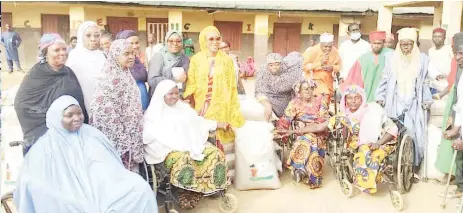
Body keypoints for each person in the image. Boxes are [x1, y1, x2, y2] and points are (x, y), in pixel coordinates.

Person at [14, 95, 158, 213]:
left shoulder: (92, 134)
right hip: (68, 194)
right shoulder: (45, 146)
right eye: (69, 115)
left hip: (104, 186)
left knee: (140, 188)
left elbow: (113, 164)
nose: (76, 118)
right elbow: (28, 179)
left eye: (79, 113)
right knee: (83, 207)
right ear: (57, 118)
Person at [143, 80, 228, 209]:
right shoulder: (154, 114)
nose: (174, 96)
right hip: (168, 149)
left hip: (190, 145)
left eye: (177, 93)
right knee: (184, 160)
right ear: (162, 95)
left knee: (215, 154)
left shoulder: (183, 108)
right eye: (170, 94)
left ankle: (203, 189)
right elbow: (149, 137)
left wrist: (217, 124)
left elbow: (199, 122)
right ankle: (186, 192)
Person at [14, 34, 87, 154]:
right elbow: (22, 105)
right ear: (45, 53)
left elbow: (79, 103)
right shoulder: (36, 74)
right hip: (43, 132)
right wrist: (54, 121)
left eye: (64, 49)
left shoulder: (69, 73)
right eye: (56, 50)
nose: (63, 53)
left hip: (70, 131)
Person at [375, 27, 433, 174]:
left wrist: (426, 98)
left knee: (413, 133)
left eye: (409, 44)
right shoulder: (391, 59)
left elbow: (425, 81)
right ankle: (392, 163)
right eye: (403, 44)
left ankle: (412, 166)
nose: (405, 47)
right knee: (393, 132)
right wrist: (380, 96)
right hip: (395, 101)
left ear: (414, 44)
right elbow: (385, 79)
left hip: (413, 102)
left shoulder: (423, 59)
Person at [183, 26, 244, 150]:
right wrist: (189, 100)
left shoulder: (227, 60)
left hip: (222, 104)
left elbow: (232, 86)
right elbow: (191, 83)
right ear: (204, 41)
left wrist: (232, 106)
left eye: (218, 38)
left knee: (224, 142)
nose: (215, 42)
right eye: (211, 39)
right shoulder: (196, 59)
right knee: (205, 140)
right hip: (203, 105)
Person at [90, 39, 144, 172]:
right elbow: (102, 110)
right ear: (115, 55)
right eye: (126, 54)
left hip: (130, 133)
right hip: (119, 137)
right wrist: (122, 137)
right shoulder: (108, 78)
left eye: (132, 53)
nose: (131, 57)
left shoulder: (125, 73)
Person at [332, 86, 398, 193]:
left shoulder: (373, 110)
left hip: (381, 141)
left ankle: (369, 182)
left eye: (357, 97)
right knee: (362, 153)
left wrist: (378, 143)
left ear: (362, 98)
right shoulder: (344, 115)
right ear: (345, 100)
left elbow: (392, 129)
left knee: (370, 155)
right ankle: (366, 182)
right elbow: (325, 125)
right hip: (357, 144)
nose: (353, 101)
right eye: (349, 98)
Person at [275, 79, 329, 188]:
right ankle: (303, 170)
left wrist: (308, 126)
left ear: (313, 89)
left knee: (310, 140)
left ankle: (309, 173)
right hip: (301, 134)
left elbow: (323, 119)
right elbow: (286, 119)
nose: (307, 91)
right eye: (304, 89)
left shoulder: (320, 100)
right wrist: (281, 131)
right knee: (305, 140)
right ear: (299, 91)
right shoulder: (294, 103)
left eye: (309, 88)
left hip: (318, 133)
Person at [437, 32, 463, 198]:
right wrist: (456, 125)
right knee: (460, 156)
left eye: (462, 53)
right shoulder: (460, 71)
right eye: (456, 53)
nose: (458, 57)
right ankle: (460, 189)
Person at [342, 31, 393, 102]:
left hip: (386, 96)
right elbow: (353, 78)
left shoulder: (391, 55)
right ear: (370, 43)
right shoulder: (363, 59)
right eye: (374, 43)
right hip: (366, 97)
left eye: (379, 43)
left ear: (384, 43)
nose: (377, 46)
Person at [66, 21, 106, 111]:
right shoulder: (74, 56)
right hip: (81, 100)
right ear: (81, 37)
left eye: (96, 35)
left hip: (102, 102)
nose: (93, 39)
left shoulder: (102, 55)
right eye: (88, 35)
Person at [255, 52, 303, 119]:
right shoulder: (263, 71)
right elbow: (258, 91)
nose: (274, 67)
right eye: (271, 65)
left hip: (286, 102)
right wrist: (267, 105)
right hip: (268, 101)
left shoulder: (290, 72)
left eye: (277, 64)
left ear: (281, 64)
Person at [148, 30, 190, 97]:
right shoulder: (159, 57)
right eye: (171, 41)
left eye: (178, 41)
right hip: (161, 98)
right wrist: (174, 79)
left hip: (180, 98)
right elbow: (152, 81)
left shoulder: (185, 59)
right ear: (166, 42)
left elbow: (188, 81)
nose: (175, 44)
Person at [115, 30, 149, 110]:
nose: (135, 46)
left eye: (137, 43)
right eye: (131, 43)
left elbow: (144, 76)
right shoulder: (118, 64)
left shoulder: (136, 61)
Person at [303, 32, 341, 100]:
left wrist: (332, 67)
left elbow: (339, 66)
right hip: (314, 82)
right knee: (319, 101)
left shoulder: (335, 51)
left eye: (330, 46)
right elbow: (304, 66)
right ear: (321, 44)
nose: (328, 49)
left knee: (325, 103)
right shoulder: (312, 51)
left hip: (328, 82)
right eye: (325, 46)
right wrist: (320, 63)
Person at [428, 28, 454, 95]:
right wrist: (435, 75)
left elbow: (454, 65)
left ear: (444, 38)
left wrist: (445, 75)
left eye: (439, 37)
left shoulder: (449, 49)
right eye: (435, 36)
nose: (437, 39)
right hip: (433, 84)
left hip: (445, 84)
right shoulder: (431, 50)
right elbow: (430, 65)